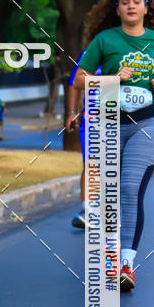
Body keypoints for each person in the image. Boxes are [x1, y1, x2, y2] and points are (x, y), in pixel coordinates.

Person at [73, 0, 154, 292]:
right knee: (111, 196)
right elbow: (79, 78)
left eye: (137, 2)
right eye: (125, 2)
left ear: (147, 8)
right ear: (116, 9)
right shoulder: (105, 40)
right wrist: (111, 79)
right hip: (109, 122)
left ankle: (126, 264)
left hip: (147, 122)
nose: (131, 6)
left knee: (130, 189)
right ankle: (110, 257)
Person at [65, 50, 102, 229]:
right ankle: (87, 212)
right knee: (91, 164)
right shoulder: (90, 52)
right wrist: (72, 112)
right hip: (92, 118)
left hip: (122, 118)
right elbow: (73, 82)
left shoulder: (130, 51)